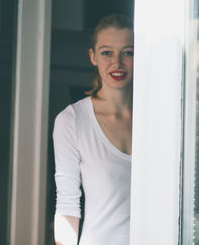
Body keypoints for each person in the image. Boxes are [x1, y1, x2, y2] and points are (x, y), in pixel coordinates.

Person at [53, 14, 134, 245]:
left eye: (128, 52)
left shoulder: (158, 119)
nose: (117, 63)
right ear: (93, 57)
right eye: (107, 52)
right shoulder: (72, 120)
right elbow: (68, 204)